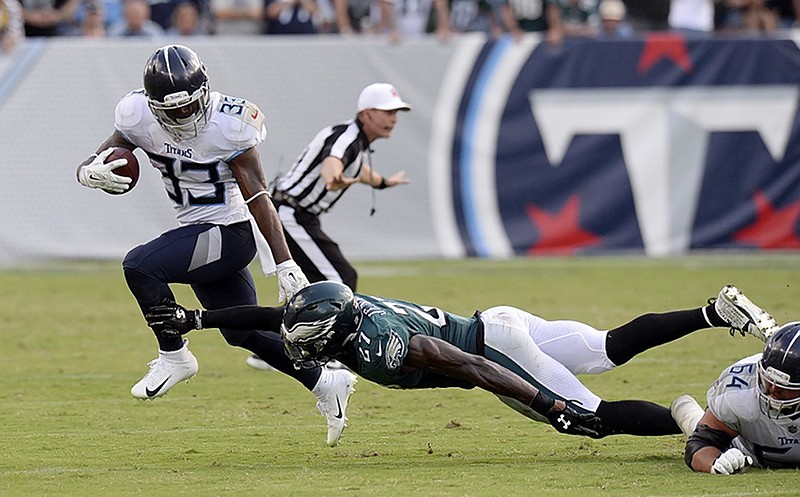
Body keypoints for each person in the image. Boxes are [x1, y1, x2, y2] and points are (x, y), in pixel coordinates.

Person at [74, 44, 356, 447]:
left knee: (140, 265)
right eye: (170, 111)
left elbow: (258, 194)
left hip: (229, 233)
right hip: (199, 230)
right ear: (153, 106)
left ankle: (175, 355)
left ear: (204, 94)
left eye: (188, 107)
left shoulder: (231, 124)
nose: (181, 117)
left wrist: (284, 262)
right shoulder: (136, 114)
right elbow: (103, 154)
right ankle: (327, 382)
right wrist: (88, 171)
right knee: (241, 332)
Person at [146, 282, 778, 444]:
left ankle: (709, 425)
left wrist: (546, 404)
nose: (300, 346)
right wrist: (200, 320)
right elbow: (273, 316)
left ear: (335, 333)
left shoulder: (384, 343)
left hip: (489, 349)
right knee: (608, 348)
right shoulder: (337, 307)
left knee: (588, 416)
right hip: (494, 320)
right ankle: (712, 312)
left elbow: (471, 369)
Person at [244, 82, 411, 372]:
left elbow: (357, 168)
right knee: (340, 279)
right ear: (367, 114)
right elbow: (333, 162)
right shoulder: (347, 138)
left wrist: (384, 182)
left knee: (310, 286)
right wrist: (334, 176)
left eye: (396, 112)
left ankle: (270, 348)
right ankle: (331, 351)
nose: (394, 118)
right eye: (388, 112)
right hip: (291, 214)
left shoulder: (355, 141)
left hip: (296, 214)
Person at [671, 320, 800, 474]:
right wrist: (715, 464)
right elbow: (700, 444)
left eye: (784, 387)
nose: (772, 389)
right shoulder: (740, 389)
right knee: (700, 429)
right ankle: (689, 414)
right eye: (768, 380)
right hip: (742, 451)